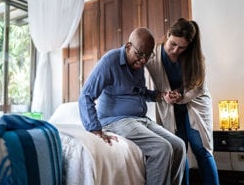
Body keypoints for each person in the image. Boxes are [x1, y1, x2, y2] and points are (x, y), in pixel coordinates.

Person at [78, 27, 186, 185]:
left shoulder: (138, 65)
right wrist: (95, 129)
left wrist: (162, 95)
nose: (143, 61)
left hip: (140, 119)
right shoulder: (110, 61)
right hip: (116, 120)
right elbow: (86, 95)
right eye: (139, 55)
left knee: (178, 146)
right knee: (161, 149)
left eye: (147, 56)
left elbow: (141, 93)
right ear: (128, 46)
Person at [145, 18, 220, 185]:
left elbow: (199, 87)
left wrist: (182, 96)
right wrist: (163, 95)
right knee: (179, 149)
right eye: (173, 44)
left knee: (201, 148)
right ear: (168, 35)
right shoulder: (153, 55)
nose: (175, 50)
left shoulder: (194, 57)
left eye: (182, 47)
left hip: (195, 104)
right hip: (170, 106)